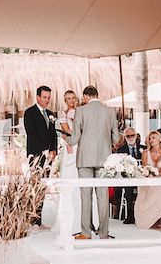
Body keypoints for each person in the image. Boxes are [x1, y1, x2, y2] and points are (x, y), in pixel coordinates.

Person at [69, 85, 120, 239]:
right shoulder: (110, 111)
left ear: (85, 97)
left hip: (85, 159)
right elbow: (116, 138)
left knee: (86, 196)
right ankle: (103, 233)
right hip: (104, 159)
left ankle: (85, 233)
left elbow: (74, 139)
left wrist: (64, 137)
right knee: (103, 197)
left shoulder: (81, 111)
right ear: (97, 95)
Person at [135, 131, 161, 230]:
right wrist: (151, 175)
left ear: (159, 139)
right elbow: (146, 169)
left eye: (153, 138)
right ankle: (151, 220)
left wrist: (156, 174)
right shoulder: (145, 153)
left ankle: (159, 219)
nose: (151, 140)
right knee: (150, 189)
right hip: (148, 179)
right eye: (149, 138)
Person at [54, 90, 81, 235]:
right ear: (65, 100)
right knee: (69, 179)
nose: (71, 100)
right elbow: (67, 131)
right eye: (68, 98)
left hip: (80, 147)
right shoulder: (62, 114)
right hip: (71, 146)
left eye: (72, 98)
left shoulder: (81, 112)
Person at [116, 127, 145, 224]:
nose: (130, 138)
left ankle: (143, 214)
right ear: (125, 137)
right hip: (127, 176)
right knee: (128, 188)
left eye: (132, 135)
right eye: (128, 136)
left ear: (136, 136)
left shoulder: (143, 148)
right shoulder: (121, 150)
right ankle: (130, 215)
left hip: (141, 176)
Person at [23, 85, 58, 165]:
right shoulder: (29, 113)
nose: (47, 100)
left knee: (47, 177)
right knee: (36, 177)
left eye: (49, 97)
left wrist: (54, 150)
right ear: (37, 97)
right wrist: (44, 151)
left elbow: (53, 134)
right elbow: (31, 134)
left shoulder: (50, 113)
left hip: (49, 156)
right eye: (44, 97)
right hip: (36, 154)